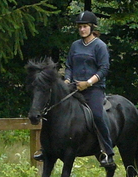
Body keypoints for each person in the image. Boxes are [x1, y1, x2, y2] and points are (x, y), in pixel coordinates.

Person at [33, 10, 116, 168]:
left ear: (91, 28)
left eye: (85, 26)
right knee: (53, 111)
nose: (82, 30)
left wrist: (88, 83)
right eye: (80, 27)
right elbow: (69, 65)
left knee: (98, 115)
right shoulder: (75, 46)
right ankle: (46, 149)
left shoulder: (100, 46)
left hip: (93, 89)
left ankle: (107, 151)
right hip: (74, 87)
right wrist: (67, 79)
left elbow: (103, 69)